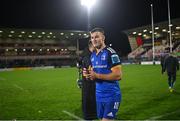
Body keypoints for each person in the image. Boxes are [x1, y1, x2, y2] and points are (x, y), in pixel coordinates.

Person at [83, 28, 122, 121]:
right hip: (99, 96)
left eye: (97, 37)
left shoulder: (111, 53)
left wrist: (97, 76)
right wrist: (88, 75)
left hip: (111, 95)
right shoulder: (93, 55)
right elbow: (94, 76)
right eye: (92, 38)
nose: (94, 40)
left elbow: (118, 75)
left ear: (103, 38)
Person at [80, 41, 97, 120]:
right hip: (90, 84)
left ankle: (89, 114)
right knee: (90, 99)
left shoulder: (85, 55)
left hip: (87, 84)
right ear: (92, 46)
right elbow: (89, 74)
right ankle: (90, 115)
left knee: (87, 99)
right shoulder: (89, 57)